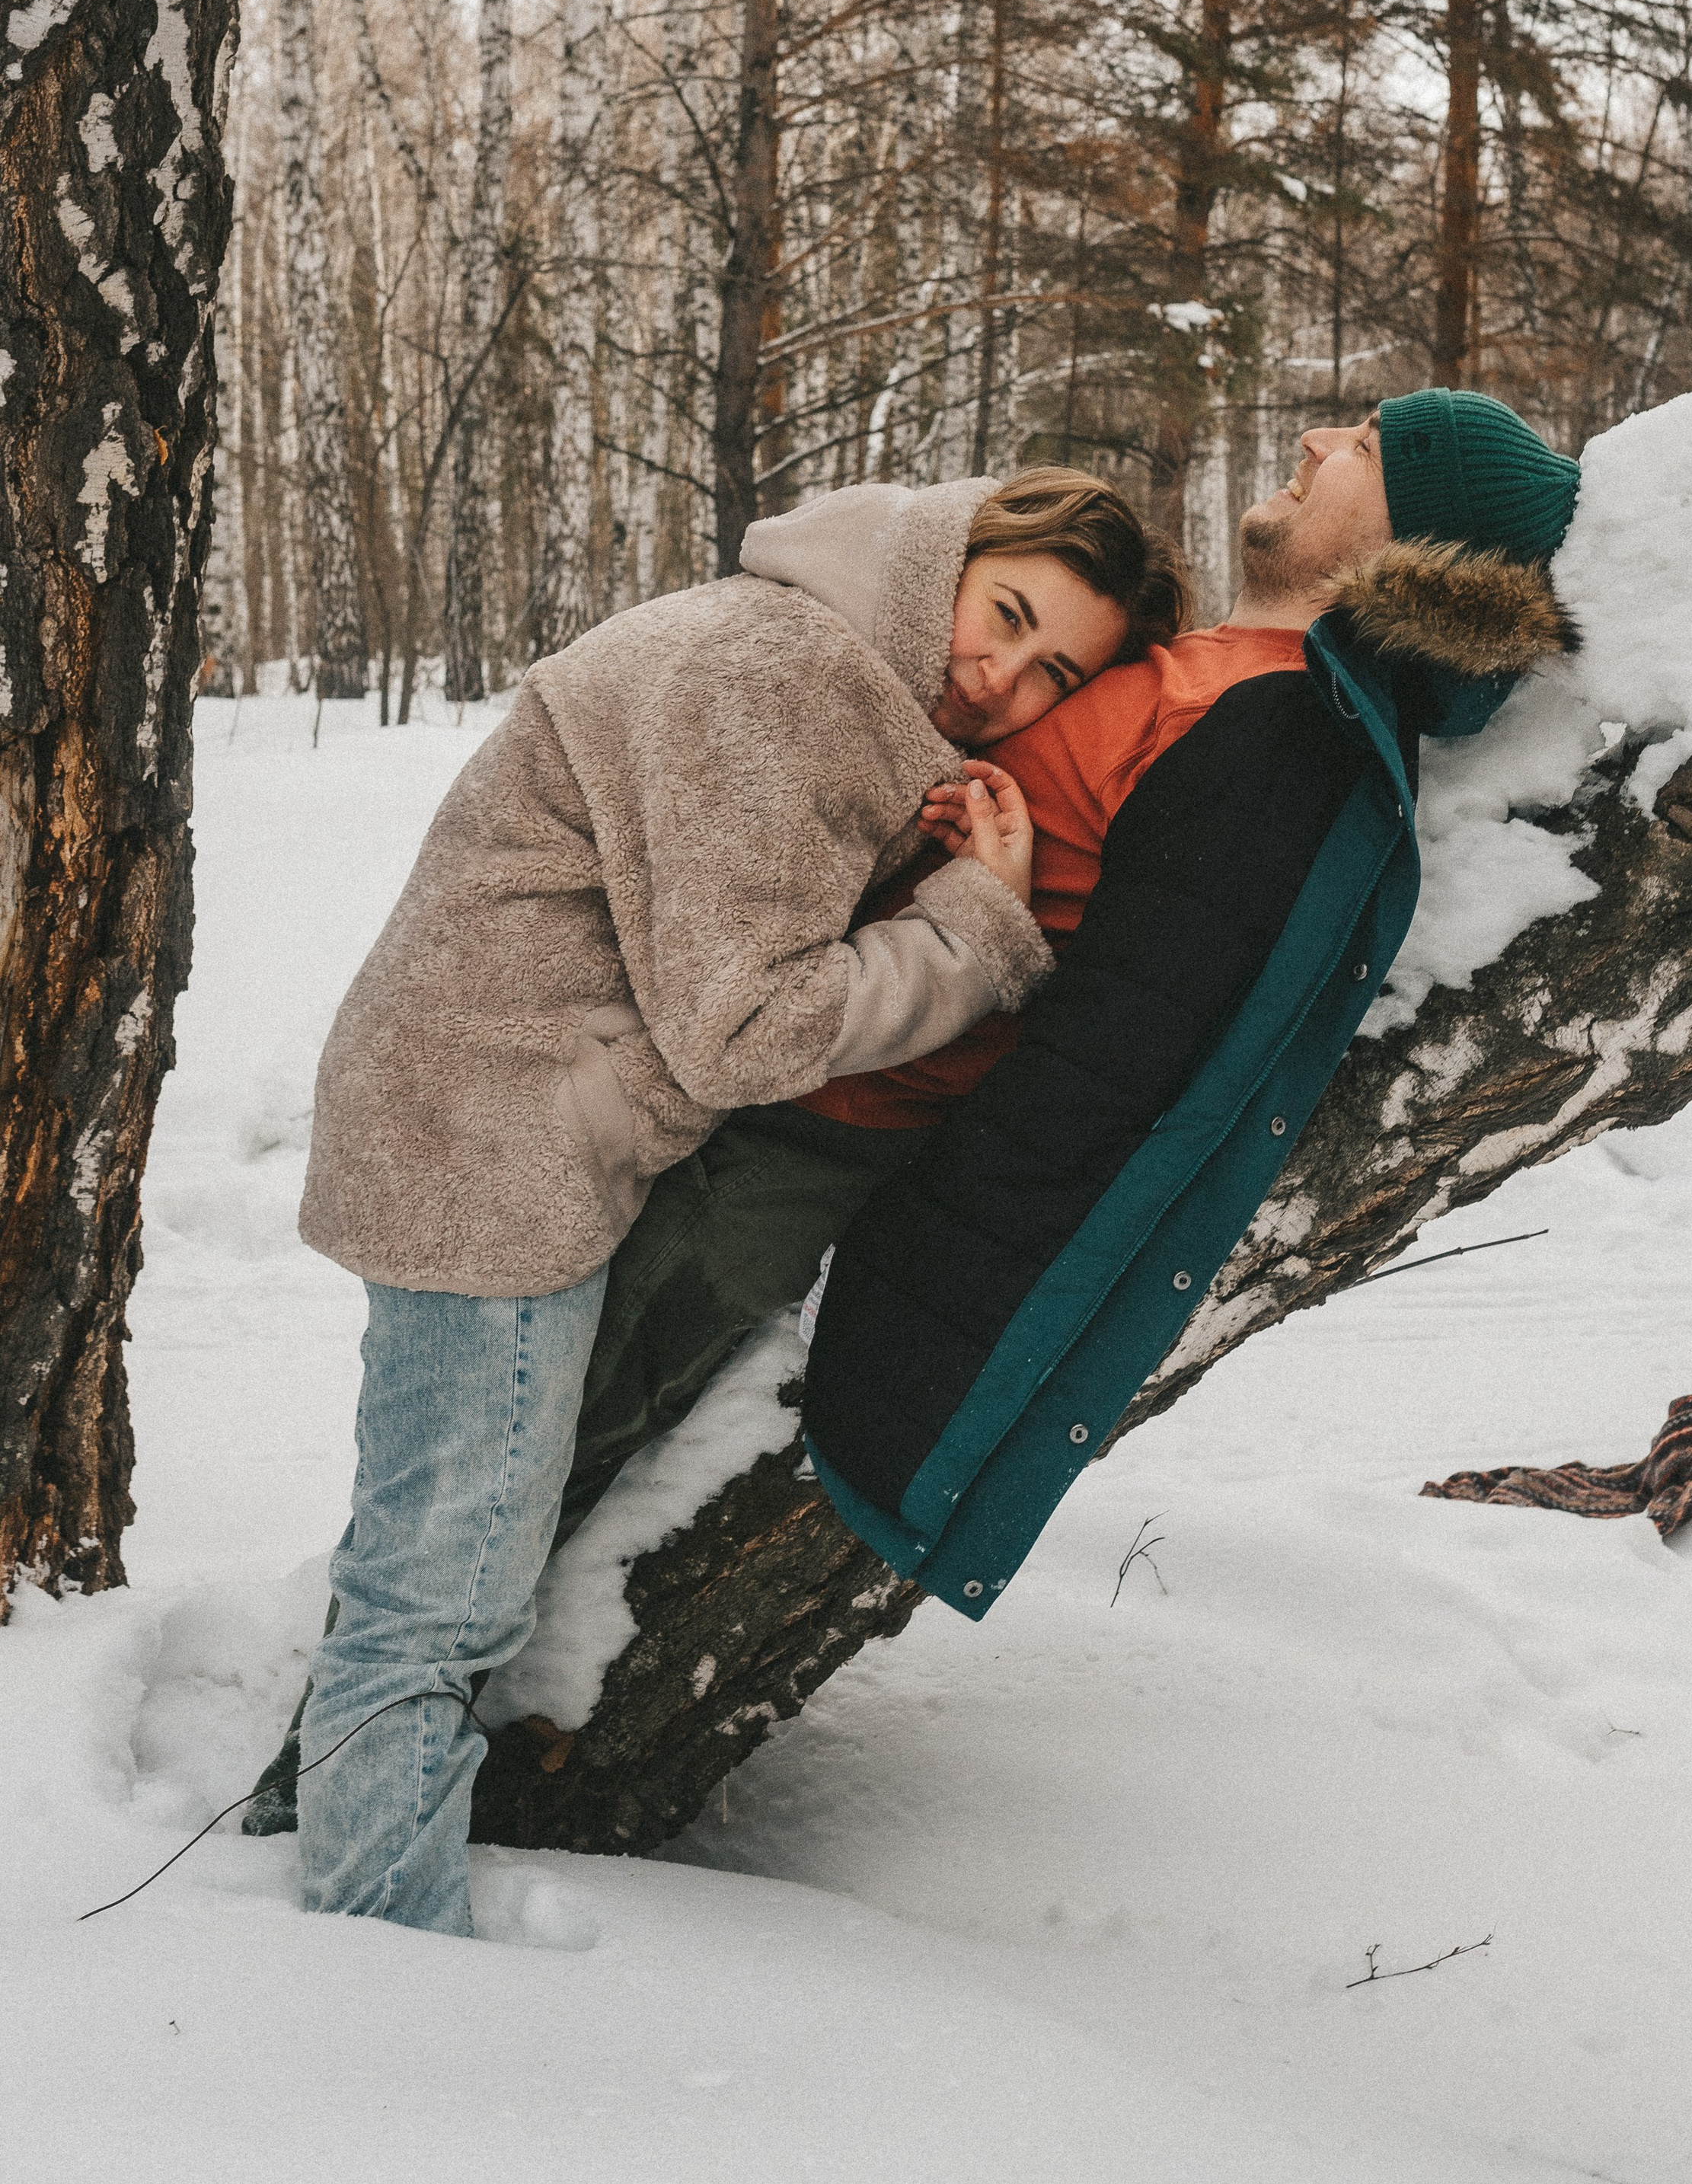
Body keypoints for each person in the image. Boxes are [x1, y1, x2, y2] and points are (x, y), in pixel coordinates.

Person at [290, 465, 1187, 1933]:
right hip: (492, 1147)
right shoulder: (784, 676)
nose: (1001, 679)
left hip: (491, 1115)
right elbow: (747, 1028)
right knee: (437, 1597)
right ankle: (371, 1947)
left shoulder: (813, 651)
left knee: (433, 1567)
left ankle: (325, 1874)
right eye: (1008, 613)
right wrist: (979, 928)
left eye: (1052, 675)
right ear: (957, 552)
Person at [553, 390, 1584, 1604]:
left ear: (1423, 540)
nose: (1313, 440)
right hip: (728, 1037)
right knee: (498, 1424)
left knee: (538, 1460)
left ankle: (366, 1761)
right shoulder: (1206, 666)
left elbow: (1124, 1059)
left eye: (1361, 450)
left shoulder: (1283, 732)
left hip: (809, 1127)